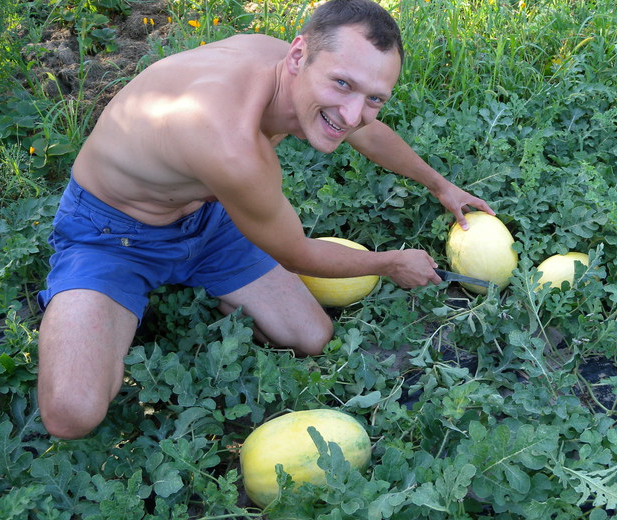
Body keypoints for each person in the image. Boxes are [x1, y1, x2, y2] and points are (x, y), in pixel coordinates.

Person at [37, 0, 494, 439]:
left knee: (312, 337)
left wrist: (440, 185)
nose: (354, 113)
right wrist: (390, 263)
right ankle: (85, 300)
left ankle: (212, 290)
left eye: (374, 97)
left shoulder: (296, 66)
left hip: (211, 219)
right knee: (71, 413)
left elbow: (368, 132)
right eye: (342, 85)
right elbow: (297, 253)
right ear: (298, 56)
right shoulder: (232, 143)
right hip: (113, 234)